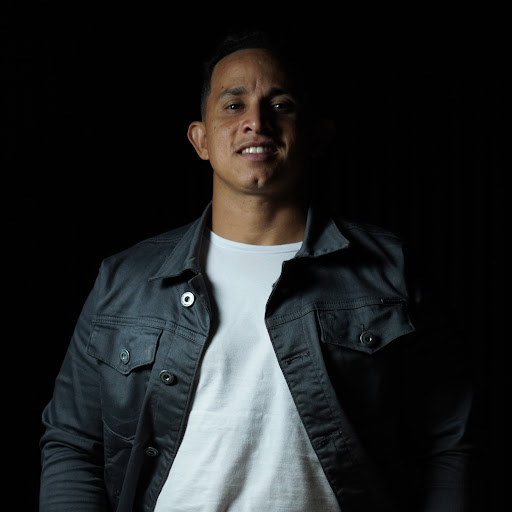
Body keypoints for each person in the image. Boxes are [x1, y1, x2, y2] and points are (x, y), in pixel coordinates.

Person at [39, 29, 475, 511]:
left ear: (316, 135)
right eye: (233, 105)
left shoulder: (390, 271)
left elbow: (449, 439)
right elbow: (72, 443)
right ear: (201, 139)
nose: (256, 122)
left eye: (281, 105)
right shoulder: (124, 281)